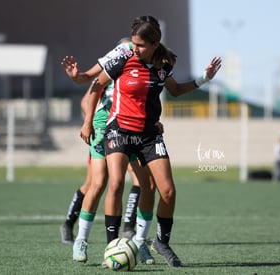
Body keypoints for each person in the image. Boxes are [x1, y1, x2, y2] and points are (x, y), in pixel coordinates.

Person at [80, 15, 221, 267]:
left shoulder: (163, 64)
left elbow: (176, 90)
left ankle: (155, 242)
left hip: (149, 134)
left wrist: (204, 78)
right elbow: (94, 86)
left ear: (155, 44)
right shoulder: (122, 59)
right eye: (134, 43)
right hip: (119, 130)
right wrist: (88, 121)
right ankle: (113, 245)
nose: (135, 48)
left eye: (141, 45)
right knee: (115, 184)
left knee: (166, 191)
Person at [60, 38, 156, 265]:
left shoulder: (151, 60)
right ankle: (81, 239)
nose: (134, 49)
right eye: (132, 44)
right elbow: (88, 83)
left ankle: (139, 241)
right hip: (106, 123)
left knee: (147, 184)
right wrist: (76, 79)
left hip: (134, 124)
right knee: (99, 182)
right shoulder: (121, 54)